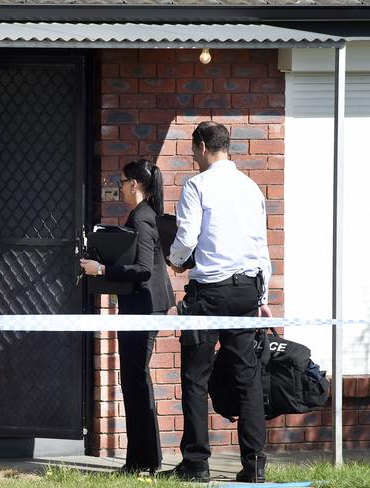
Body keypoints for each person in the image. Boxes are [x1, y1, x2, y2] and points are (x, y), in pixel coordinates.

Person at [164, 121, 272, 484]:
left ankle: (196, 464)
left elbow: (186, 237)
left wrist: (175, 259)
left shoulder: (197, 185)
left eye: (193, 150)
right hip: (246, 291)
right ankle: (254, 466)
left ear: (202, 146)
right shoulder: (251, 187)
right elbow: (261, 247)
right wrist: (263, 296)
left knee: (195, 376)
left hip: (208, 293)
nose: (193, 158)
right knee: (247, 377)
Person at [80, 158, 175, 475]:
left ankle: (141, 460)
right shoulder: (143, 215)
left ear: (135, 184)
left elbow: (144, 268)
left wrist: (102, 269)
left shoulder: (142, 218)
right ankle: (144, 458)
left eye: (122, 181)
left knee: (134, 380)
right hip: (142, 306)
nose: (120, 186)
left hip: (143, 308)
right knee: (134, 379)